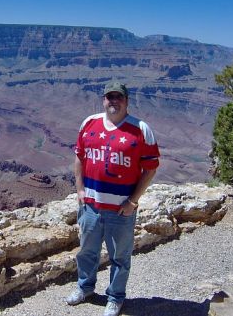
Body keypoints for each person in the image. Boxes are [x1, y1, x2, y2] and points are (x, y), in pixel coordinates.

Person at [66, 81, 160, 316]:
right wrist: (79, 190)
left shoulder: (140, 129)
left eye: (118, 97)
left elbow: (150, 169)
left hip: (121, 210)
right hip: (91, 206)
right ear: (103, 99)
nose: (113, 101)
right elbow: (79, 157)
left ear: (127, 101)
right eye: (110, 97)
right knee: (87, 251)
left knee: (120, 256)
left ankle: (115, 297)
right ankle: (85, 288)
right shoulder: (90, 123)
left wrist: (132, 201)